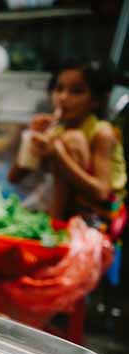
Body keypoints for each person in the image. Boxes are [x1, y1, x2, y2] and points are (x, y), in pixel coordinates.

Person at [10, 60, 126, 234]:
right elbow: (15, 177)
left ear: (96, 101)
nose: (63, 97)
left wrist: (59, 154)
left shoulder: (102, 133)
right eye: (59, 89)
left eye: (76, 91)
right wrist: (31, 137)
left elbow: (102, 192)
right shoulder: (56, 131)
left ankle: (55, 229)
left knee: (72, 140)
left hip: (98, 217)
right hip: (70, 212)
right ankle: (54, 227)